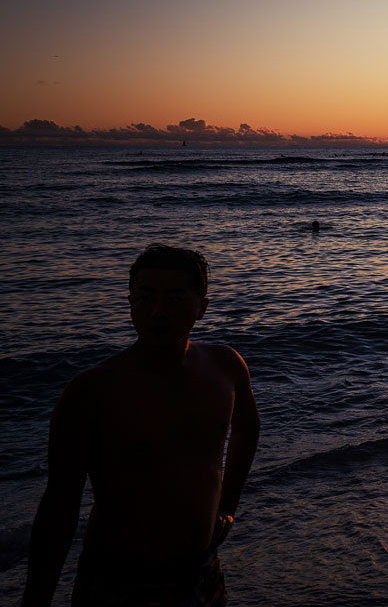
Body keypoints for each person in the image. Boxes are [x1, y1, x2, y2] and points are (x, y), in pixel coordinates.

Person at [23, 245, 260, 607]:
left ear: (202, 307)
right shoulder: (93, 390)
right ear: (130, 302)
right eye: (145, 297)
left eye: (175, 298)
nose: (157, 312)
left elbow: (247, 428)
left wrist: (227, 505)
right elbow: (59, 506)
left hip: (201, 569)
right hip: (120, 580)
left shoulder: (225, 367)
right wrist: (36, 599)